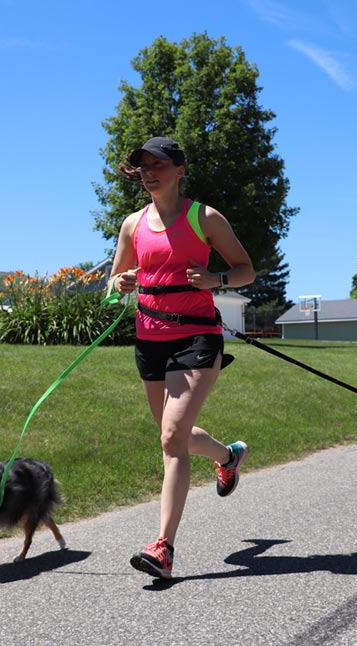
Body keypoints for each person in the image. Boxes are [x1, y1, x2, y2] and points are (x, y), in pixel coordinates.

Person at [107, 136, 256, 580]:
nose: (150, 172)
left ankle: (163, 548)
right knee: (175, 435)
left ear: (179, 170)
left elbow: (247, 269)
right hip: (150, 338)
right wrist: (122, 283)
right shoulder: (133, 224)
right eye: (144, 166)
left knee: (171, 437)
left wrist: (216, 278)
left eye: (159, 164)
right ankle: (228, 457)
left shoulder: (204, 217)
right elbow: (114, 279)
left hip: (198, 337)